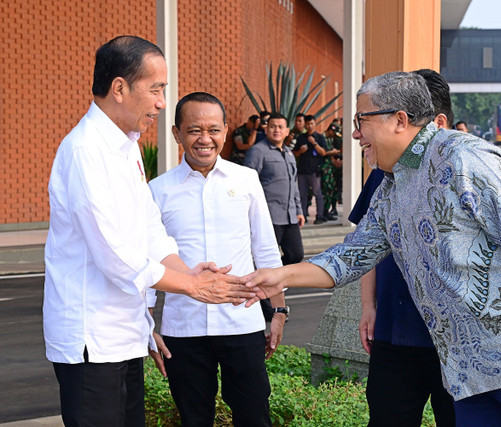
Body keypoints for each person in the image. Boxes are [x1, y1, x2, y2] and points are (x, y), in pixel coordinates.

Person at [242, 71, 501, 427]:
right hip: (468, 372)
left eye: (361, 121)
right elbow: (349, 257)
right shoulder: (391, 187)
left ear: (400, 120)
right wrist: (279, 275)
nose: (354, 134)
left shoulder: (463, 158)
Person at [43, 36, 253, 427]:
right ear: (119, 88)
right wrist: (193, 288)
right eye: (155, 89)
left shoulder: (127, 147)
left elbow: (149, 230)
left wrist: (190, 272)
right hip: (93, 339)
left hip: (125, 334)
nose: (161, 102)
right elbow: (113, 254)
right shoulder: (86, 151)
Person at [147, 92, 286, 426]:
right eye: (194, 130)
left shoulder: (246, 179)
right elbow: (147, 261)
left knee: (254, 415)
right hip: (185, 329)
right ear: (177, 133)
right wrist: (148, 325)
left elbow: (265, 249)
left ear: (226, 131)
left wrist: (278, 310)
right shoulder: (157, 189)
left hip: (243, 321)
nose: (205, 139)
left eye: (213, 129)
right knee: (195, 418)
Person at [352, 68, 455, 427]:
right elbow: (363, 246)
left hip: (456, 340)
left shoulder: (467, 170)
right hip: (396, 332)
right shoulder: (383, 171)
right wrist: (368, 306)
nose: (357, 133)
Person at [245, 113, 306, 265]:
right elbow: (246, 184)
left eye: (280, 127)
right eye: (272, 126)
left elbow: (294, 184)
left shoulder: (289, 153)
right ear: (266, 129)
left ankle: (276, 276)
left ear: (287, 131)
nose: (276, 130)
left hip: (290, 215)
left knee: (296, 254)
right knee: (266, 258)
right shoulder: (257, 151)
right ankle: (264, 283)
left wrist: (298, 211)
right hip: (268, 216)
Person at [293, 114, 329, 224]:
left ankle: (320, 216)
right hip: (302, 171)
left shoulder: (319, 137)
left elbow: (324, 153)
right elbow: (295, 153)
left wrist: (314, 143)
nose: (309, 126)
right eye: (307, 124)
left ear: (315, 123)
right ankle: (302, 215)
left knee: (317, 194)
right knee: (302, 195)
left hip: (314, 171)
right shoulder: (301, 138)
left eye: (311, 124)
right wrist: (300, 152)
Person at [321, 123, 343, 219]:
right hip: (324, 168)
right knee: (326, 190)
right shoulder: (322, 138)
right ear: (330, 130)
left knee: (332, 189)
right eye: (333, 133)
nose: (334, 136)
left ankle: (328, 211)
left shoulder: (330, 139)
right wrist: (335, 152)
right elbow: (324, 153)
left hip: (331, 167)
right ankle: (323, 212)